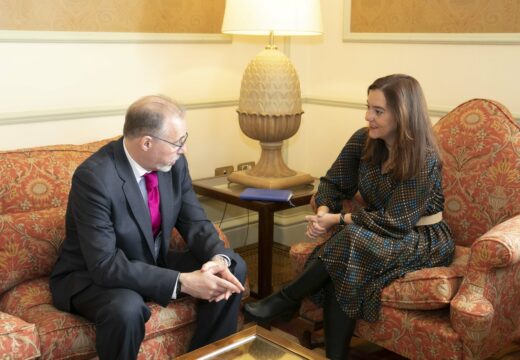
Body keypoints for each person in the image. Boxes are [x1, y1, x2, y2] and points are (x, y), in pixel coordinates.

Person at [244, 74, 455, 360]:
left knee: (350, 240)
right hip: (372, 232)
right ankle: (330, 351)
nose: (369, 116)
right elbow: (332, 183)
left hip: (419, 237)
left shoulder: (423, 157)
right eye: (368, 107)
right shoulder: (364, 140)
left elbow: (396, 222)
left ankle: (285, 300)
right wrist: (323, 212)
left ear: (403, 114)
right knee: (344, 263)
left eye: (378, 111)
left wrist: (338, 220)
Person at [50, 95, 246, 360]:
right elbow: (105, 264)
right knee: (126, 309)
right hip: (92, 275)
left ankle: (205, 356)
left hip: (150, 262)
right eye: (178, 142)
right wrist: (183, 282)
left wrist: (217, 259)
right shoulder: (95, 178)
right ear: (146, 142)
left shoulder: (174, 165)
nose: (183, 149)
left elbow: (195, 221)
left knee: (232, 266)